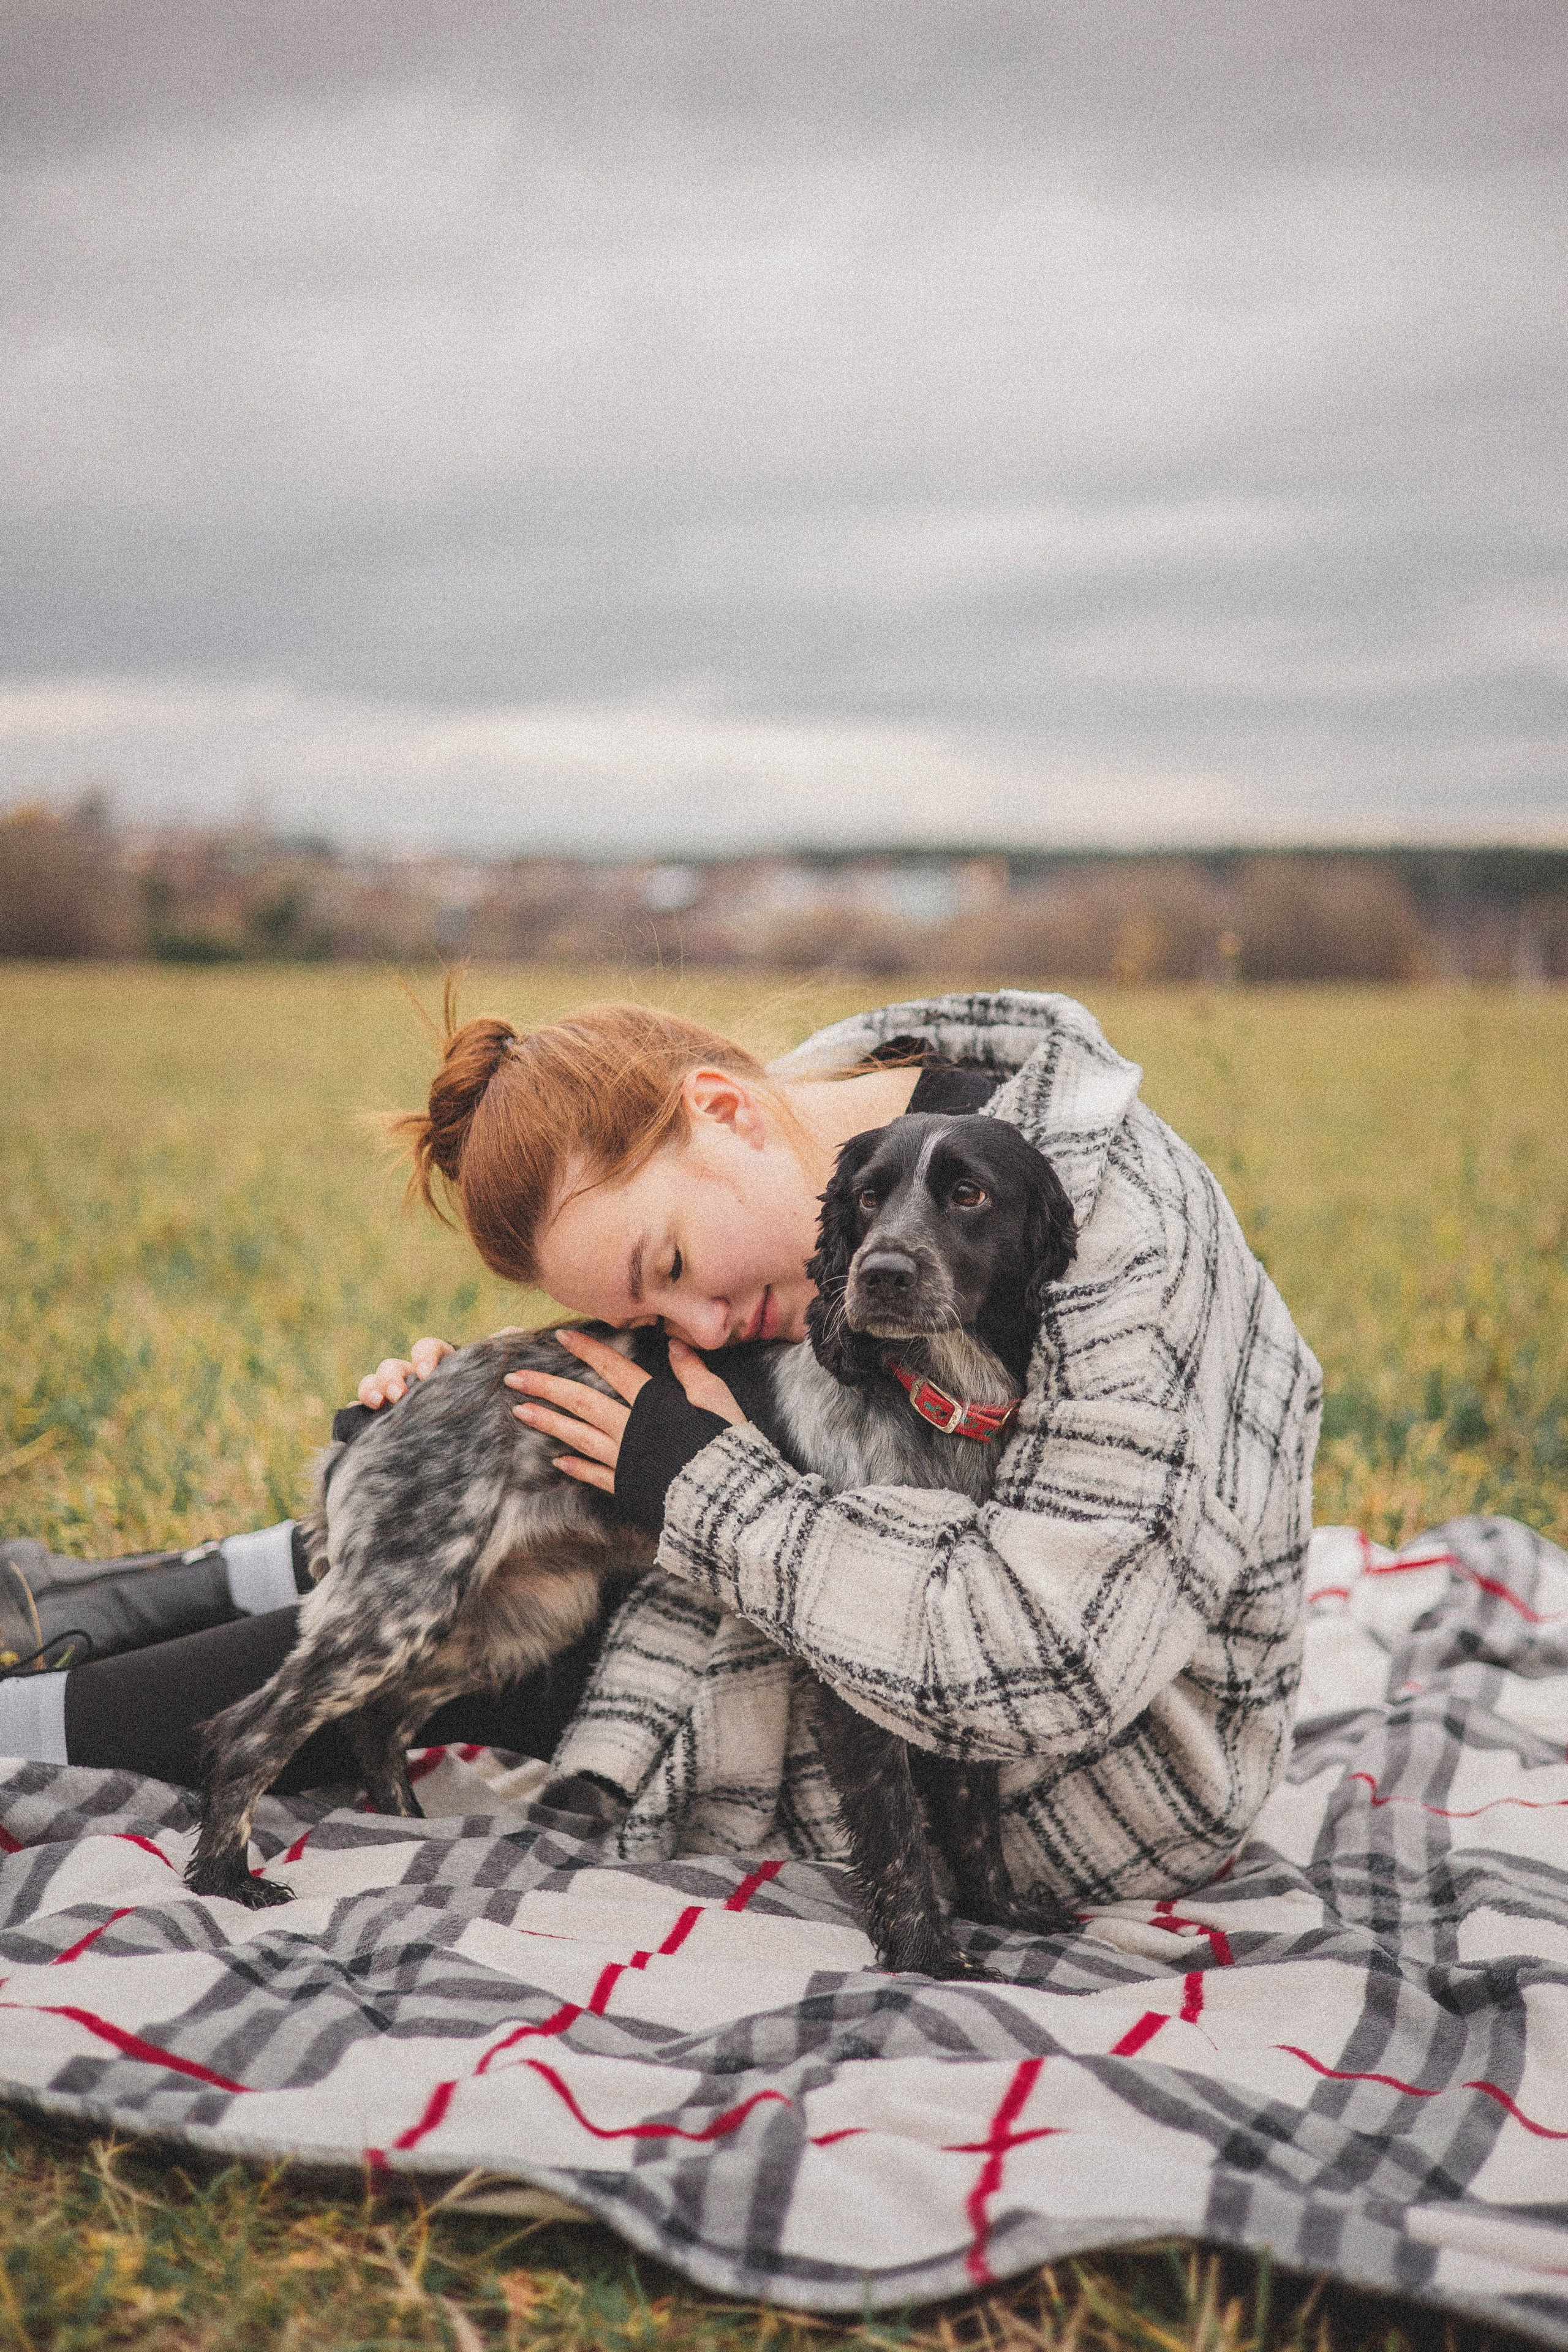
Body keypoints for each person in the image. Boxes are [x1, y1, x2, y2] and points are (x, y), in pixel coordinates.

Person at [0, 990, 1320, 1909]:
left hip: (1081, 1771)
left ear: (723, 1109)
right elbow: (669, 1401)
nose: (699, 1328)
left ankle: (34, 1712)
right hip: (835, 1587)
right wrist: (456, 1400)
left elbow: (1042, 1662)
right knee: (479, 1519)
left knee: (536, 1622)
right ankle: (100, 1598)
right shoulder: (827, 1144)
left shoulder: (1120, 1242)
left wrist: (694, 1483)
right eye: (643, 1313)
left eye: (673, 1265)